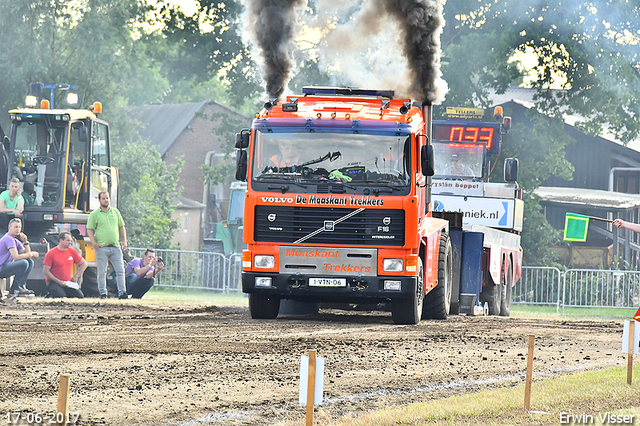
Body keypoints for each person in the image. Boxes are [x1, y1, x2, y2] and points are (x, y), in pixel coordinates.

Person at [87, 191, 128, 299]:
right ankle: (103, 293)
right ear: (99, 200)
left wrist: (124, 240)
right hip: (102, 247)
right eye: (103, 198)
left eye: (107, 198)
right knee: (102, 271)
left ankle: (122, 292)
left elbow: (121, 226)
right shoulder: (95, 214)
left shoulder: (115, 212)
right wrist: (94, 243)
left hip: (115, 246)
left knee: (120, 270)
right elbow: (90, 229)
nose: (106, 200)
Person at [0, 218, 38, 300]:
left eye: (19, 227)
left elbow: (27, 255)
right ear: (9, 228)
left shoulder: (15, 241)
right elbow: (16, 257)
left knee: (29, 262)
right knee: (24, 263)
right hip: (1, 268)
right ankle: (16, 288)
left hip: (6, 267)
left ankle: (21, 285)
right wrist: (31, 253)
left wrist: (26, 242)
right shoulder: (8, 239)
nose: (18, 229)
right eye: (16, 227)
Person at [43, 231, 87, 298]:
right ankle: (50, 295)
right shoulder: (51, 253)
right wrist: (58, 281)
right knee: (61, 295)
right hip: (54, 281)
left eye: (70, 240)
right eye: (68, 240)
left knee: (80, 296)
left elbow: (84, 264)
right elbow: (46, 271)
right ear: (61, 240)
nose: (70, 242)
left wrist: (76, 276)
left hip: (67, 282)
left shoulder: (72, 251)